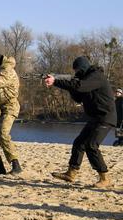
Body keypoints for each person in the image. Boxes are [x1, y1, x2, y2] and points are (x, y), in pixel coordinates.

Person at [45, 56, 117, 188]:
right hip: (95, 118)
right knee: (79, 143)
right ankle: (71, 173)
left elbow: (80, 86)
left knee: (91, 145)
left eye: (77, 70)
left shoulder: (96, 76)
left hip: (105, 118)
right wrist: (68, 85)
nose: (76, 73)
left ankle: (105, 178)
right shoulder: (84, 79)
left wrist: (56, 81)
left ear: (83, 68)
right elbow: (78, 96)